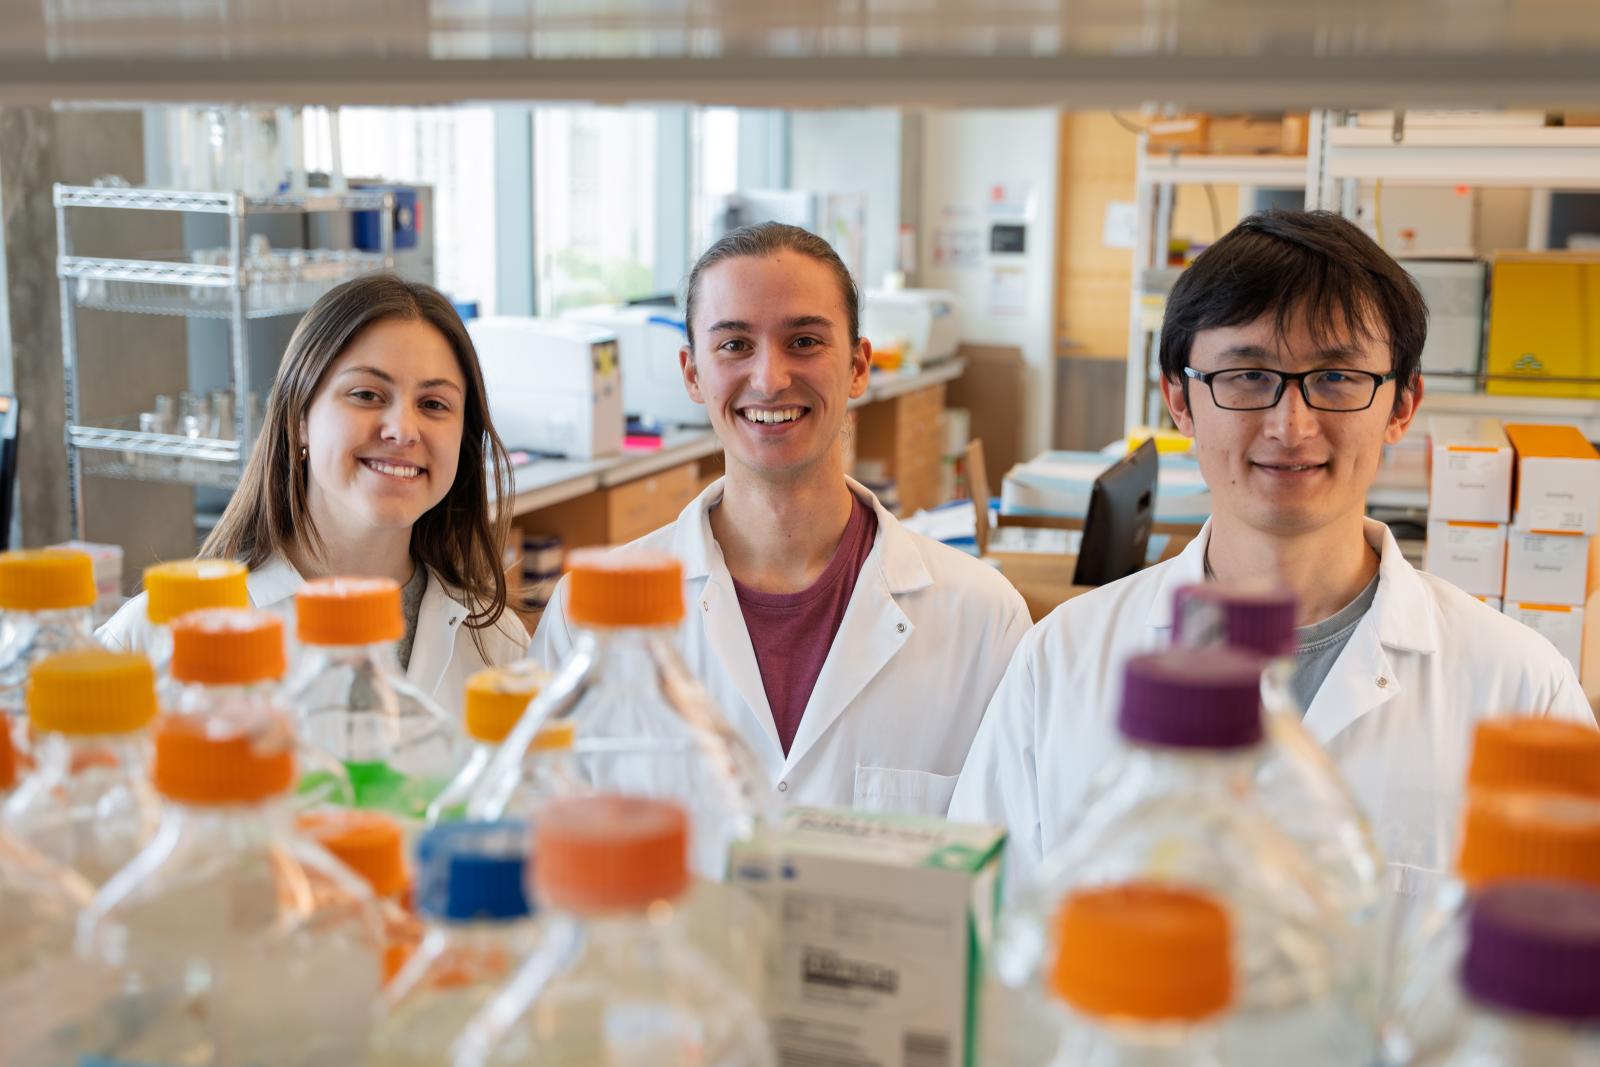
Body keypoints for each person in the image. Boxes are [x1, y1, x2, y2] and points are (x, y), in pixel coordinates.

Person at [949, 210, 1593, 894]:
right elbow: (976, 933)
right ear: (1180, 400)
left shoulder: (1520, 688)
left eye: (1338, 377)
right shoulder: (1061, 664)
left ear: (1402, 405)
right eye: (1249, 375)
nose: (1292, 426)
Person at [532, 223, 1031, 816]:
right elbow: (541, 844)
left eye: (804, 342)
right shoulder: (586, 619)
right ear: (693, 372)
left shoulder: (982, 620)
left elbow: (1010, 868)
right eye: (735, 345)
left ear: (857, 366)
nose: (769, 379)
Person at [99, 273, 527, 716]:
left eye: (434, 404)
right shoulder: (154, 636)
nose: (402, 429)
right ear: (299, 418)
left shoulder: (497, 644)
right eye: (366, 394)